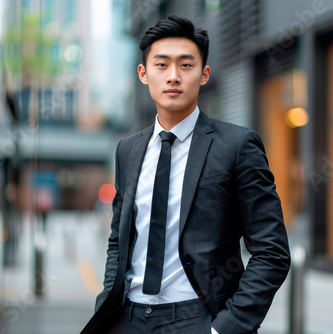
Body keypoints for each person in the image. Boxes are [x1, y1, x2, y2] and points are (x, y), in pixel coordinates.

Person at [80, 14, 290, 334]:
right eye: (161, 65)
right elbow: (118, 240)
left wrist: (226, 328)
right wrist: (108, 299)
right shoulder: (128, 150)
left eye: (186, 65)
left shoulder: (236, 145)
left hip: (197, 318)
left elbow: (272, 252)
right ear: (143, 73)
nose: (173, 76)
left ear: (204, 74)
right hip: (128, 317)